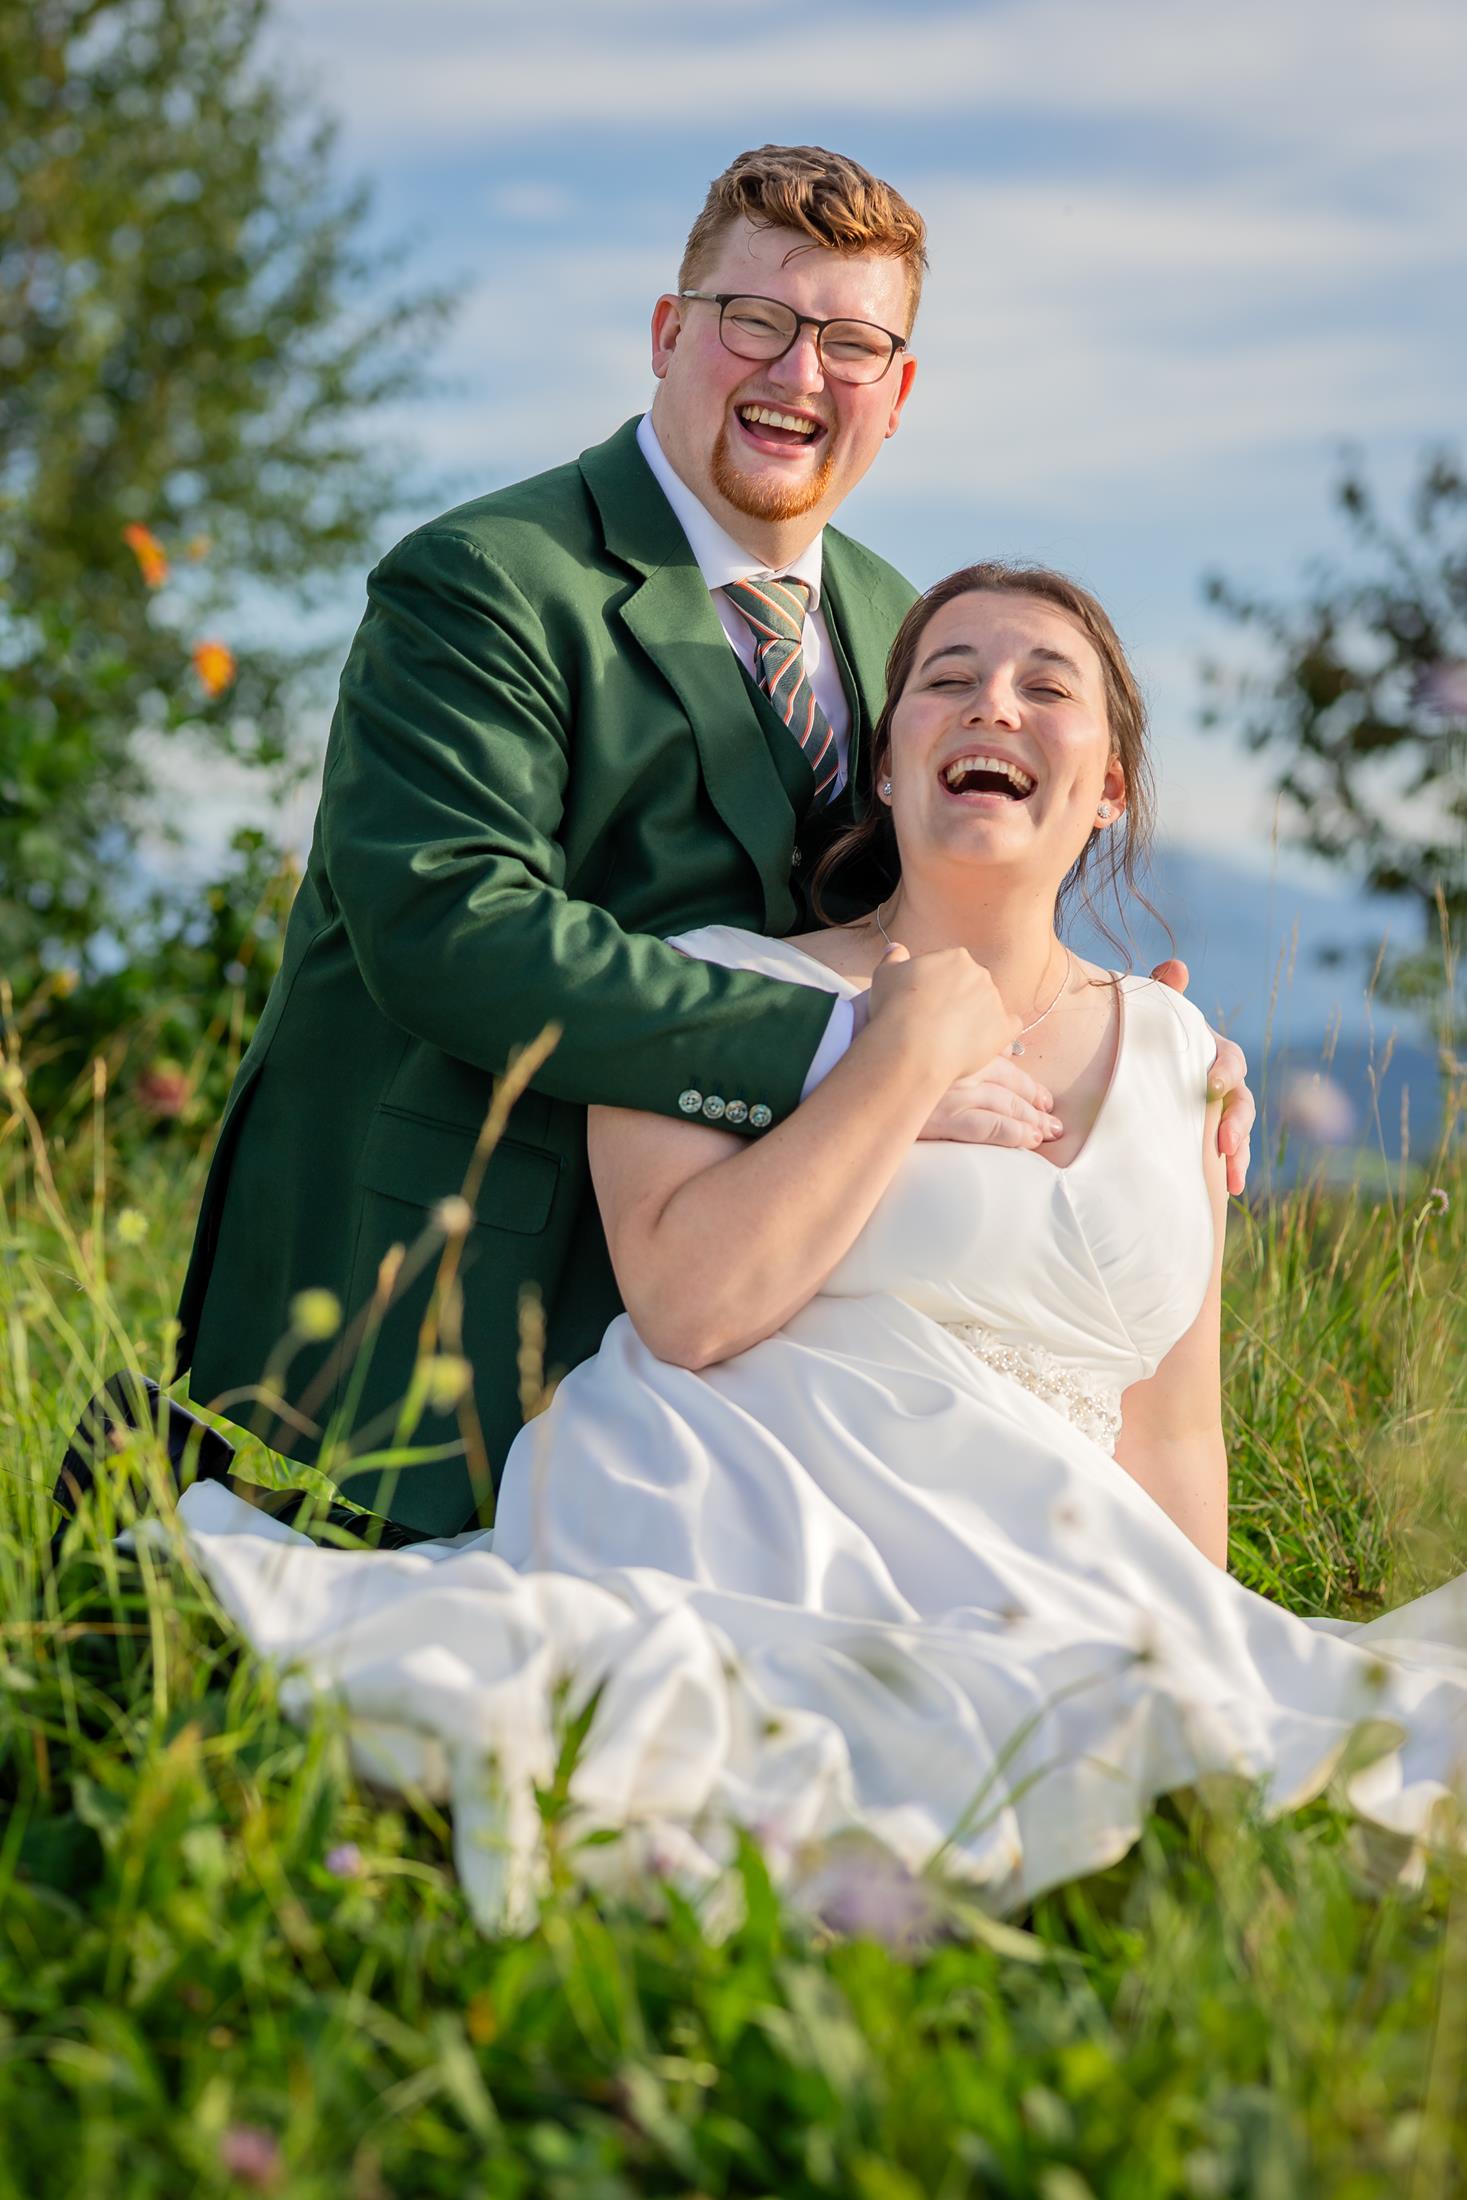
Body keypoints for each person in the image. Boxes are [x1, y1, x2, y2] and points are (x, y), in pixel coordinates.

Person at [167, 564, 1467, 1937]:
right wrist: (895, 1064)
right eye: (948, 680)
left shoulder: (1185, 1054)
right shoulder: (717, 988)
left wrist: (1201, 1659)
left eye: (1047, 686)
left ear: (1109, 789)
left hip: (1055, 1567)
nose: (994, 704)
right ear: (890, 770)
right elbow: (688, 1308)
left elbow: (1174, 1427)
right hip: (748, 1518)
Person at [172, 144, 1253, 1542]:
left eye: (851, 343)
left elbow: (928, 907)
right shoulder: (488, 580)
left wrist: (1135, 1057)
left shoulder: (904, 626)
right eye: (757, 320)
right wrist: (838, 1050)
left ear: (898, 393)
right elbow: (446, 923)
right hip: (452, 1283)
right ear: (669, 333)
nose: (800, 373)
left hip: (769, 1375)